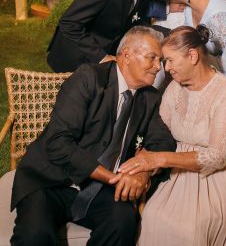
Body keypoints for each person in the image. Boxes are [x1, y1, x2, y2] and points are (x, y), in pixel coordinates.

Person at [11, 26, 176, 246]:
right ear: (126, 55)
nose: (158, 67)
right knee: (34, 236)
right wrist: (111, 177)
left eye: (161, 60)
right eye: (152, 58)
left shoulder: (150, 97)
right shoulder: (89, 78)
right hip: (52, 181)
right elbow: (58, 142)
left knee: (123, 222)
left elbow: (162, 140)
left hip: (102, 190)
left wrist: (143, 172)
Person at [118, 25, 226, 246]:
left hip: (224, 172)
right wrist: (145, 162)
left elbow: (218, 157)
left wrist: (159, 158)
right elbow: (160, 132)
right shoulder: (174, 89)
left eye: (170, 60)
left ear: (192, 56)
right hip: (178, 164)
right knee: (153, 215)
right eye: (165, 61)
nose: (166, 67)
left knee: (191, 227)